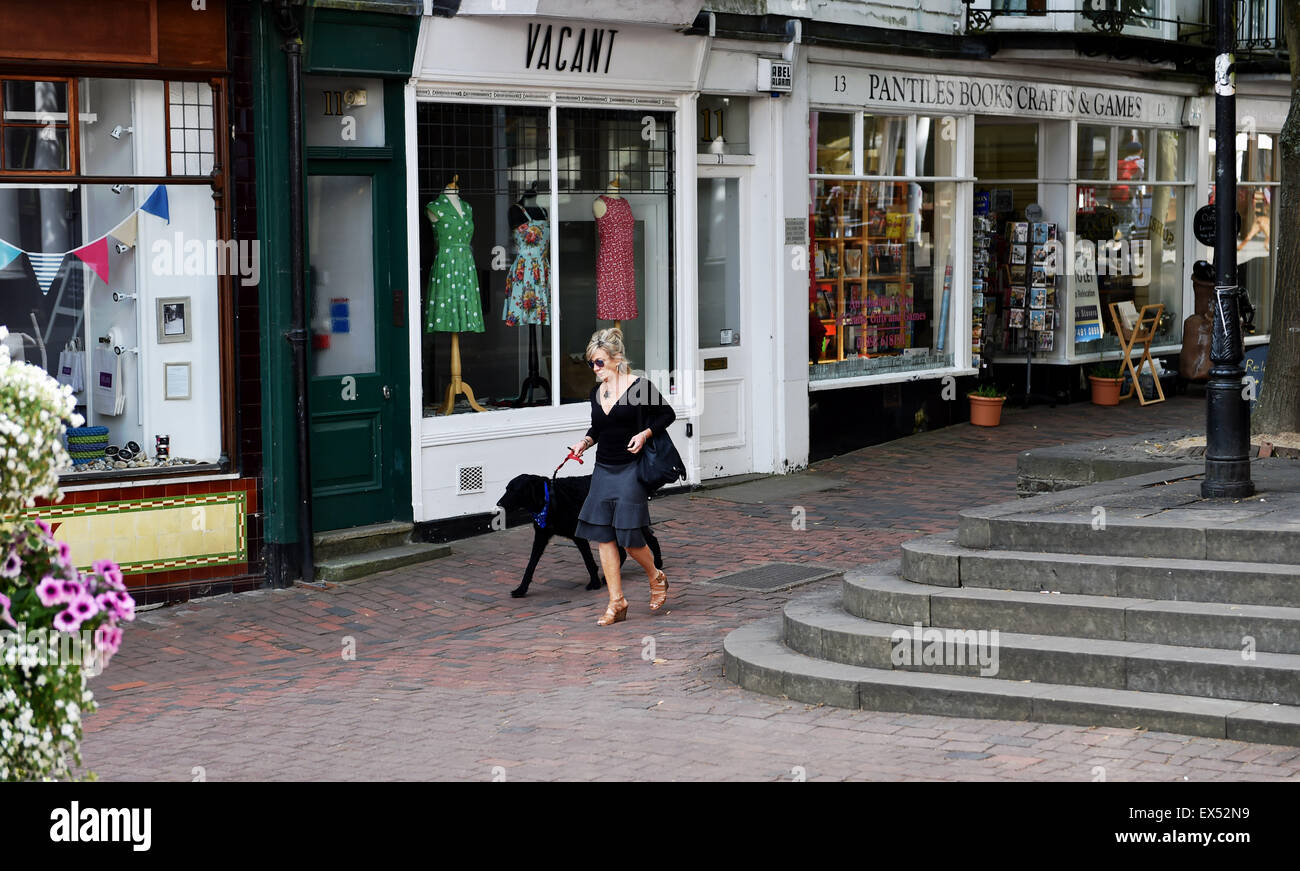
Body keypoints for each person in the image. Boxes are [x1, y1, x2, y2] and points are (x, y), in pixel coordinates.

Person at [568, 328, 675, 625]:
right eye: (591, 363)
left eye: (599, 362)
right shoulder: (596, 392)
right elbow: (597, 429)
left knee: (628, 536)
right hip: (603, 469)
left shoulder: (639, 386)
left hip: (631, 469)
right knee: (603, 535)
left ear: (617, 359)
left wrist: (645, 433)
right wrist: (584, 443)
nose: (595, 368)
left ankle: (656, 576)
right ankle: (617, 602)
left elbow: (667, 415)